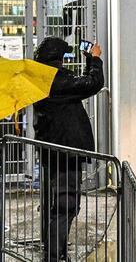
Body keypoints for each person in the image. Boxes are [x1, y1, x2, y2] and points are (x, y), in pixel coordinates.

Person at [33, 37, 104, 262]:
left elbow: (80, 85)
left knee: (56, 203)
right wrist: (95, 59)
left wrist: (88, 64)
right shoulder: (56, 79)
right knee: (66, 204)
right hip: (65, 153)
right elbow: (92, 83)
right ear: (59, 59)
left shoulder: (41, 78)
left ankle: (56, 251)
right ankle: (55, 256)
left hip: (54, 152)